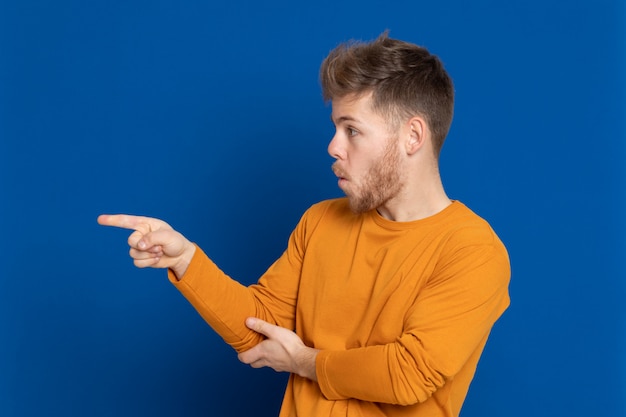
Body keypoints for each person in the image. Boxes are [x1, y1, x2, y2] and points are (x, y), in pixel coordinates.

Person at [98, 32, 510, 417]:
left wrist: (304, 362)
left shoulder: (473, 251)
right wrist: (186, 259)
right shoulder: (320, 222)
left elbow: (409, 374)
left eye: (352, 130)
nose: (333, 146)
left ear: (413, 136)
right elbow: (258, 331)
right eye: (335, 128)